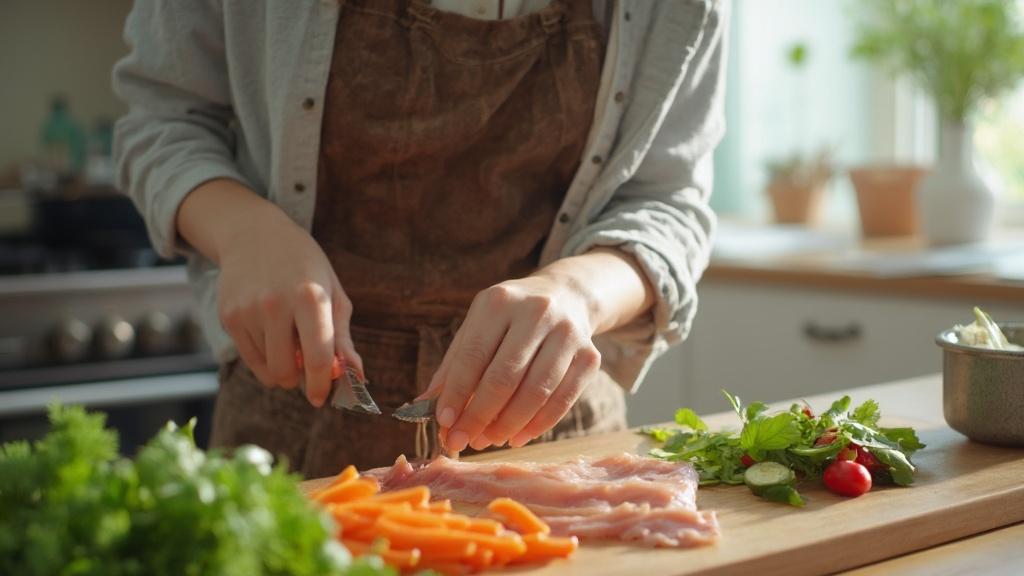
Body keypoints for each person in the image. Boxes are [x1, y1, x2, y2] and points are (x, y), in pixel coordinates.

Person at [113, 0, 728, 478]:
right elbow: (161, 119)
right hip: (281, 429)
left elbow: (668, 199)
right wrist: (246, 230)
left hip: (556, 436)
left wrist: (578, 292)